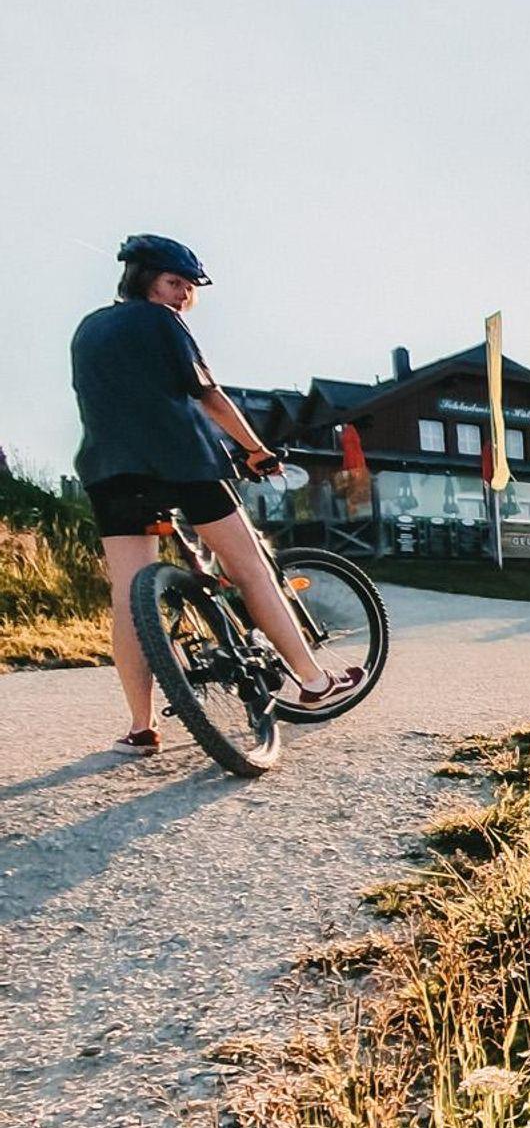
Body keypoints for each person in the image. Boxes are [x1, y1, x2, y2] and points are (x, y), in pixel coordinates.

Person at [72, 235, 364, 754]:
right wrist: (256, 451)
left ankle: (141, 728)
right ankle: (313, 681)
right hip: (183, 463)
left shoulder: (88, 329)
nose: (182, 295)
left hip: (108, 471)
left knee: (129, 600)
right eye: (173, 282)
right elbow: (208, 395)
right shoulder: (161, 321)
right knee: (249, 568)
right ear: (143, 280)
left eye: (189, 287)